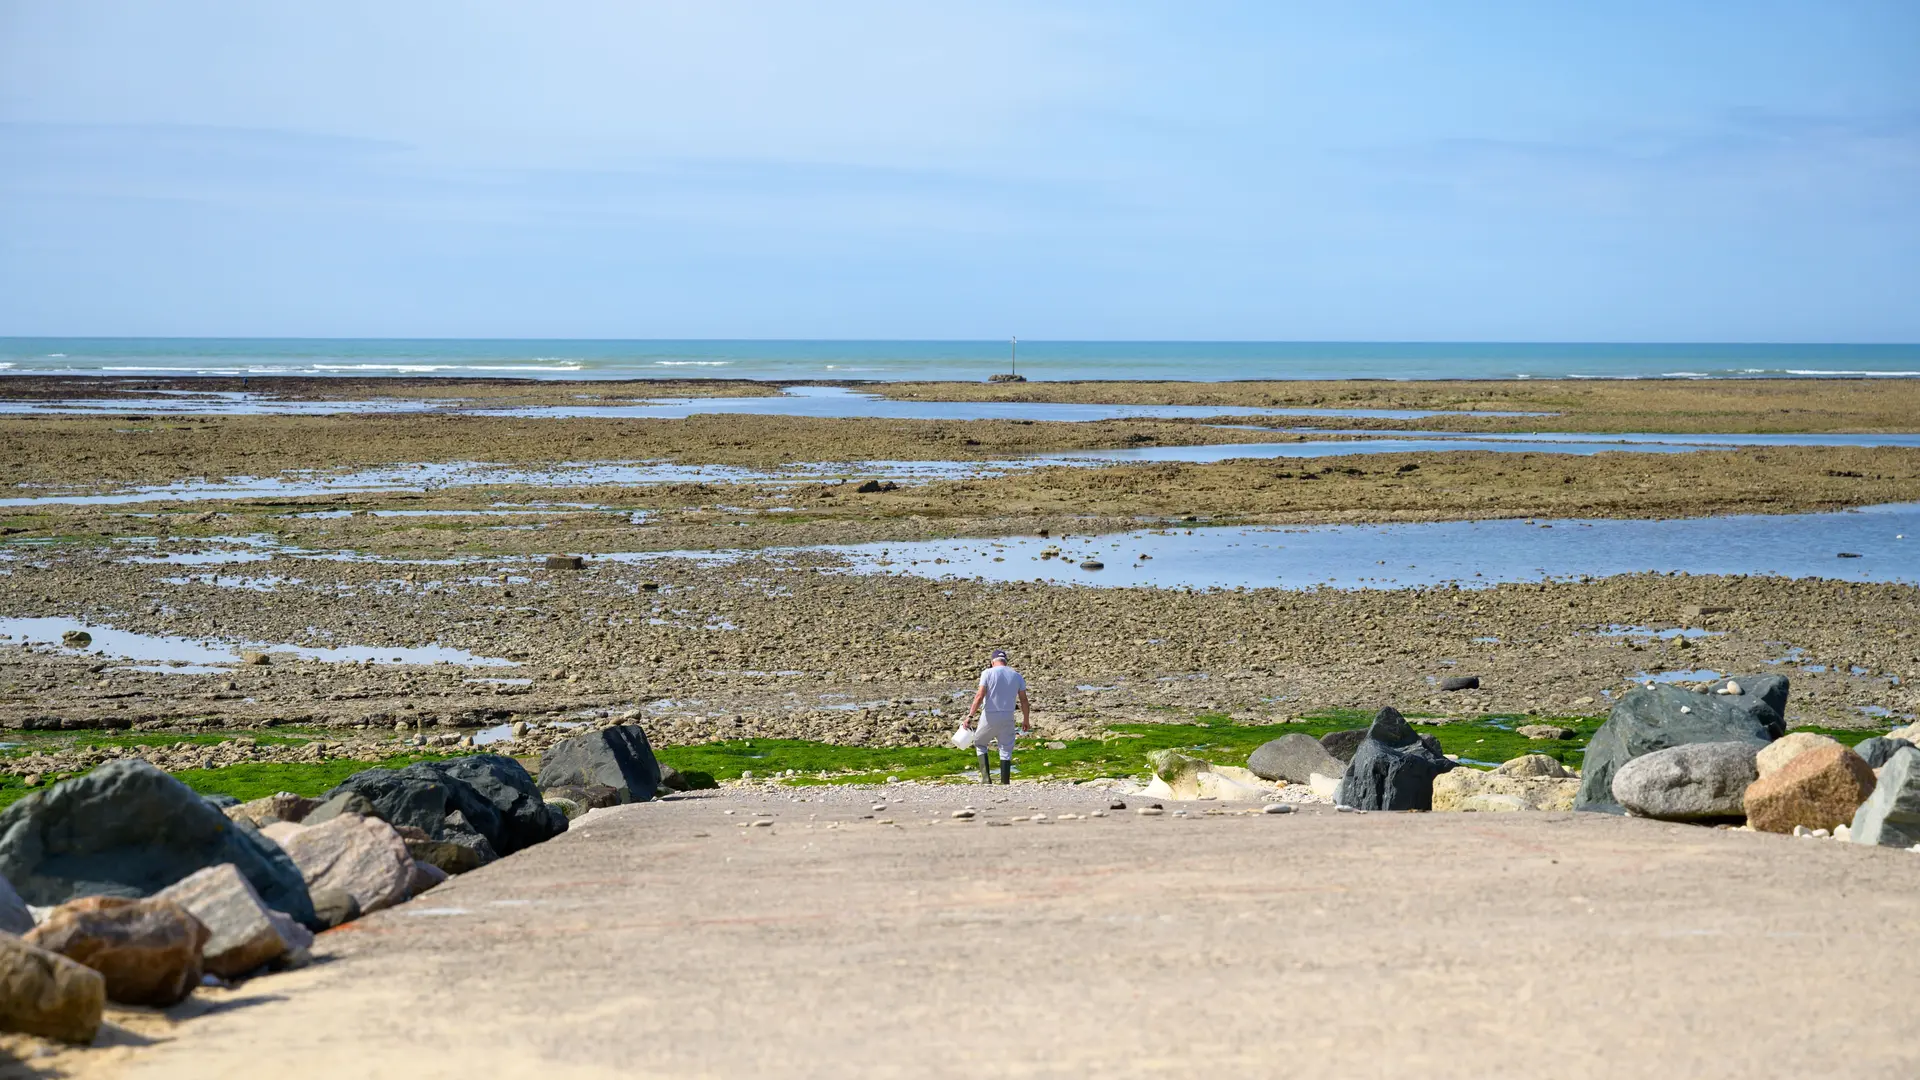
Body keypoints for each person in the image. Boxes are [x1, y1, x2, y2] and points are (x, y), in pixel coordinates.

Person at [965, 648, 1031, 784]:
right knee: (1006, 747)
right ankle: (1004, 781)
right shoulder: (1016, 675)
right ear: (1005, 661)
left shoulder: (987, 673)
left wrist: (970, 716)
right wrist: (1026, 719)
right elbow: (1024, 700)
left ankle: (986, 779)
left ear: (992, 662)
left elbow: (979, 695)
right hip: (1008, 715)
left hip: (989, 714)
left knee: (980, 743)